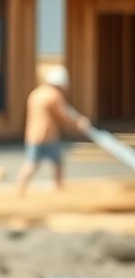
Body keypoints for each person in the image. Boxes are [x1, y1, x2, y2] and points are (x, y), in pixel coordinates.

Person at [17, 64, 91, 197]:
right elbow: (63, 116)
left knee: (37, 161)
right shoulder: (54, 95)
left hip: (33, 135)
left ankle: (21, 188)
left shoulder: (37, 93)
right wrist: (78, 124)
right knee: (44, 162)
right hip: (47, 136)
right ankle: (56, 186)